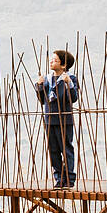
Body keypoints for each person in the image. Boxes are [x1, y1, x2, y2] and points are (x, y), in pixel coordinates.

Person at [34, 49, 79, 188]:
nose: (51, 61)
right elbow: (42, 100)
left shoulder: (69, 78)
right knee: (53, 149)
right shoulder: (47, 79)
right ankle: (59, 178)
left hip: (64, 119)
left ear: (64, 65)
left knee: (66, 148)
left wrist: (68, 83)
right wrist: (40, 86)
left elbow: (73, 98)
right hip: (50, 119)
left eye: (55, 60)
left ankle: (69, 179)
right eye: (51, 59)